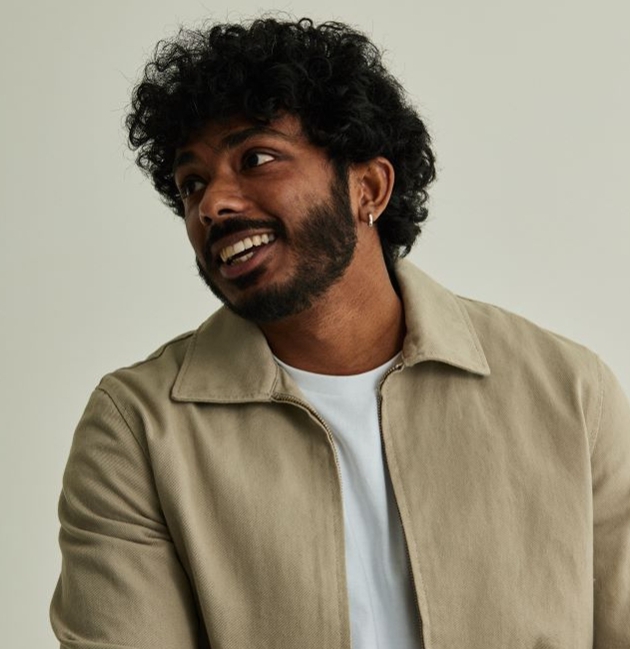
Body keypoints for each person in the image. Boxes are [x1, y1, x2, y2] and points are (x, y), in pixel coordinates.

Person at [51, 17, 630, 649]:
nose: (211, 204)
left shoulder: (568, 392)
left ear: (369, 187)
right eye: (191, 183)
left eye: (257, 158)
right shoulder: (138, 427)